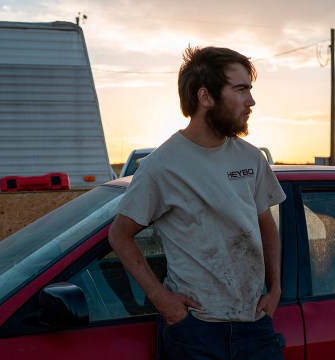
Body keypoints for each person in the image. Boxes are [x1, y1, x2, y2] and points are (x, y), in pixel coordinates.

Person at [108, 45, 286, 359]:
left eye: (250, 89)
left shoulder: (250, 157)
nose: (251, 101)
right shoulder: (162, 166)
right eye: (241, 89)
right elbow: (119, 236)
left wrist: (275, 290)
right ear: (206, 97)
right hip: (196, 331)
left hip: (255, 323)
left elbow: (265, 225)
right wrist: (161, 299)